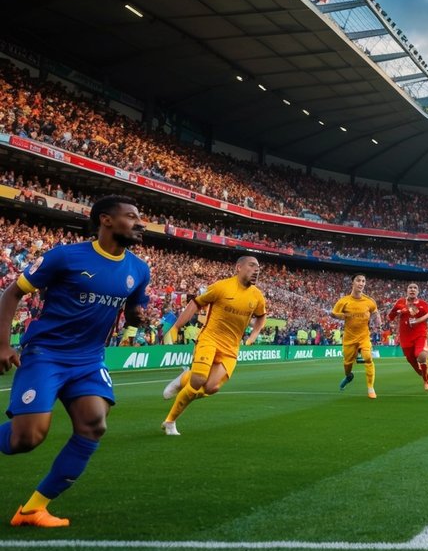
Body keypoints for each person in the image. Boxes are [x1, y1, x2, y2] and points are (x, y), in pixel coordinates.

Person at [0, 196, 150, 527]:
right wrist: (2, 345)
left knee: (94, 424)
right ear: (106, 220)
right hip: (47, 353)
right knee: (27, 439)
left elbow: (134, 310)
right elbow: (12, 292)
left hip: (89, 359)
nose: (141, 223)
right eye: (132, 216)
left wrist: (136, 318)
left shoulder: (139, 269)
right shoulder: (67, 257)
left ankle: (32, 509)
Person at [160, 256, 267, 434]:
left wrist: (253, 335)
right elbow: (196, 303)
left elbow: (261, 315)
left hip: (231, 348)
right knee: (199, 380)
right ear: (238, 267)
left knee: (211, 387)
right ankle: (170, 422)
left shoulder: (257, 296)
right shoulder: (221, 287)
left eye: (258, 267)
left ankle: (184, 378)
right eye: (252, 265)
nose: (256, 269)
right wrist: (176, 327)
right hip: (210, 339)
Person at [332, 274, 380, 399]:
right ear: (352, 283)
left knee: (368, 357)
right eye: (358, 280)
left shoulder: (369, 301)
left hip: (364, 336)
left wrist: (377, 322)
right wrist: (341, 316)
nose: (361, 283)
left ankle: (370, 388)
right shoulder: (344, 301)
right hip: (349, 338)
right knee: (347, 364)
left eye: (363, 281)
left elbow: (375, 312)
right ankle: (348, 376)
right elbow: (333, 313)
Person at [386, 282, 428, 391]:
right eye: (410, 288)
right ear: (407, 290)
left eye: (415, 288)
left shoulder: (423, 303)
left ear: (418, 291)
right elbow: (390, 316)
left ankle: (426, 381)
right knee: (414, 365)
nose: (412, 289)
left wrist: (417, 320)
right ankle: (427, 369)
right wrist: (398, 312)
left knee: (421, 356)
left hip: (420, 334)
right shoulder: (400, 302)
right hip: (405, 337)